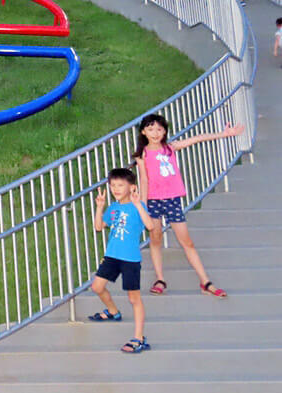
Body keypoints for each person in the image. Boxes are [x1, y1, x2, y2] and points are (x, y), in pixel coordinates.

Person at [132, 113, 244, 299]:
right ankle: (160, 279)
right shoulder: (142, 155)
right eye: (150, 129)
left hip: (172, 199)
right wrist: (143, 205)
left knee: (187, 242)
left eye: (159, 129)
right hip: (152, 201)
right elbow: (144, 180)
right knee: (156, 239)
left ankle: (205, 281)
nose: (155, 133)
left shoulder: (170, 148)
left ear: (165, 131)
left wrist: (223, 134)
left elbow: (196, 139)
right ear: (143, 131)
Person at [89, 167, 154, 354]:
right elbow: (99, 227)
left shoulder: (137, 206)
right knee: (97, 287)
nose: (115, 189)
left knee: (134, 298)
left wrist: (138, 204)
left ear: (131, 187)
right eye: (112, 185)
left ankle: (139, 338)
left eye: (120, 185)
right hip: (112, 255)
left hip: (130, 258)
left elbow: (150, 226)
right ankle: (113, 311)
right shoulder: (114, 207)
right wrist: (99, 207)